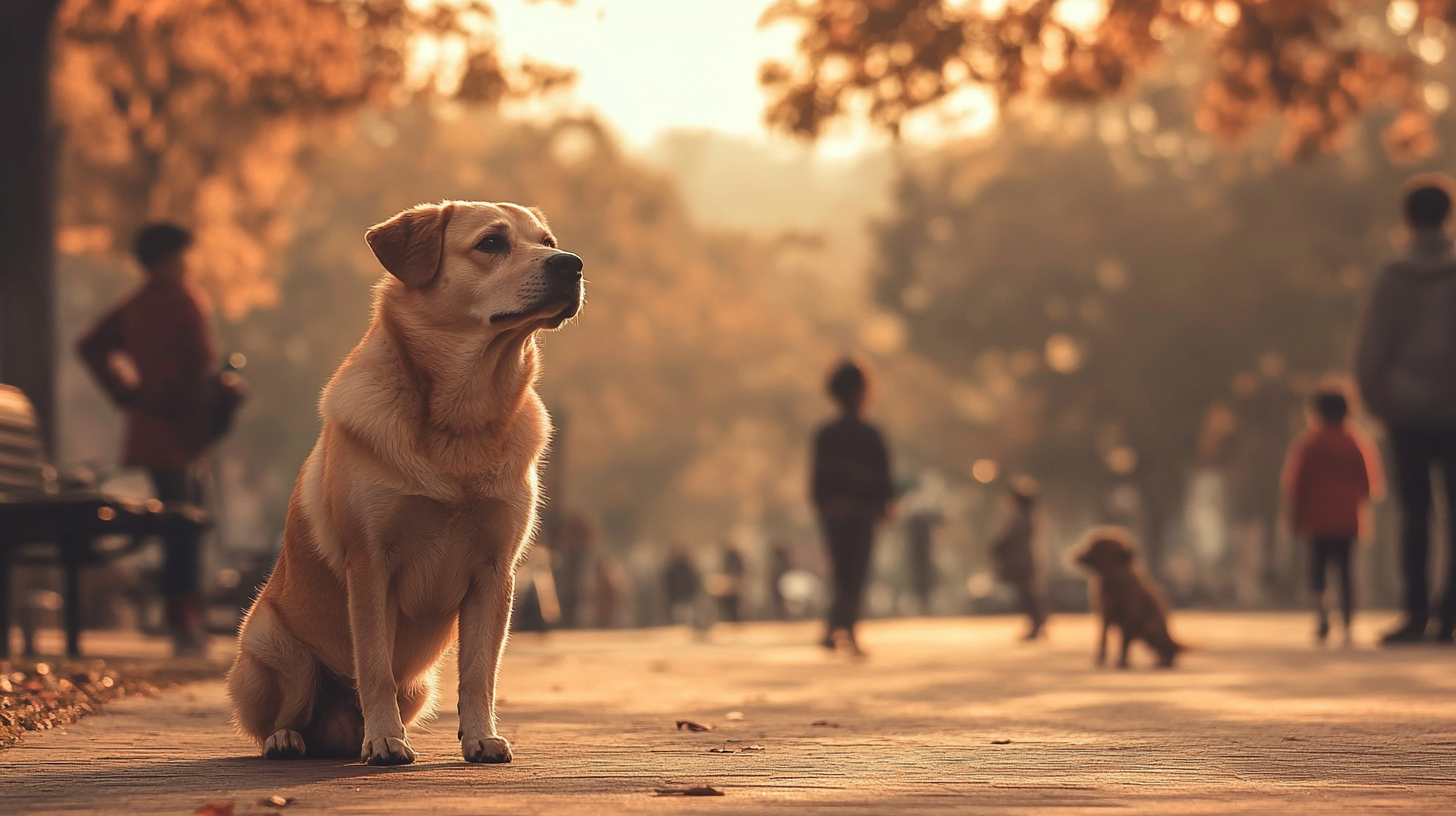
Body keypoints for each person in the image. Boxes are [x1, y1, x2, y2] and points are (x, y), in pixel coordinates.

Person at [77, 223, 216, 656]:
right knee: (184, 525)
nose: (186, 265)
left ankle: (183, 618)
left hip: (156, 429)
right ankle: (184, 620)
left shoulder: (135, 305)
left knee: (182, 522)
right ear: (164, 260)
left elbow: (90, 346)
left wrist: (126, 391)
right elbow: (201, 360)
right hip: (177, 428)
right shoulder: (182, 301)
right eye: (180, 257)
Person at [1355, 175, 1456, 645]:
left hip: (1406, 411)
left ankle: (1415, 612)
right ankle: (1450, 612)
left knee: (1414, 514)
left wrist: (1379, 403)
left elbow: (1373, 348)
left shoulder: (1393, 276)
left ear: (1409, 218)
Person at [1281, 390, 1384, 645]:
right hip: (1348, 519)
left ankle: (1322, 613)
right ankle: (1348, 621)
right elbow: (1370, 486)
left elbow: (1297, 486)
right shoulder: (1356, 443)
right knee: (1347, 572)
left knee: (1318, 570)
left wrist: (1295, 518)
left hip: (1317, 520)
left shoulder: (1309, 444)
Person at [811, 359, 893, 656]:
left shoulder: (825, 434)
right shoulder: (871, 433)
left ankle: (836, 627)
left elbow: (817, 479)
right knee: (855, 571)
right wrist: (885, 506)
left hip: (834, 511)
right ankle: (847, 629)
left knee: (841, 571)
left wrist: (822, 506)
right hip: (862, 511)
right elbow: (883, 476)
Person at [989, 477, 1047, 641]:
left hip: (1020, 561)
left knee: (1026, 593)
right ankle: (1037, 622)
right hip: (1024, 559)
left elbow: (1009, 538)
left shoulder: (1021, 517)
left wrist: (998, 545)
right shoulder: (1027, 516)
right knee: (1027, 592)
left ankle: (1037, 622)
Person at [905, 505, 944, 615]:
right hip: (917, 556)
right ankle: (921, 603)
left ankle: (926, 603)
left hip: (924, 556)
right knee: (918, 575)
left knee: (926, 576)